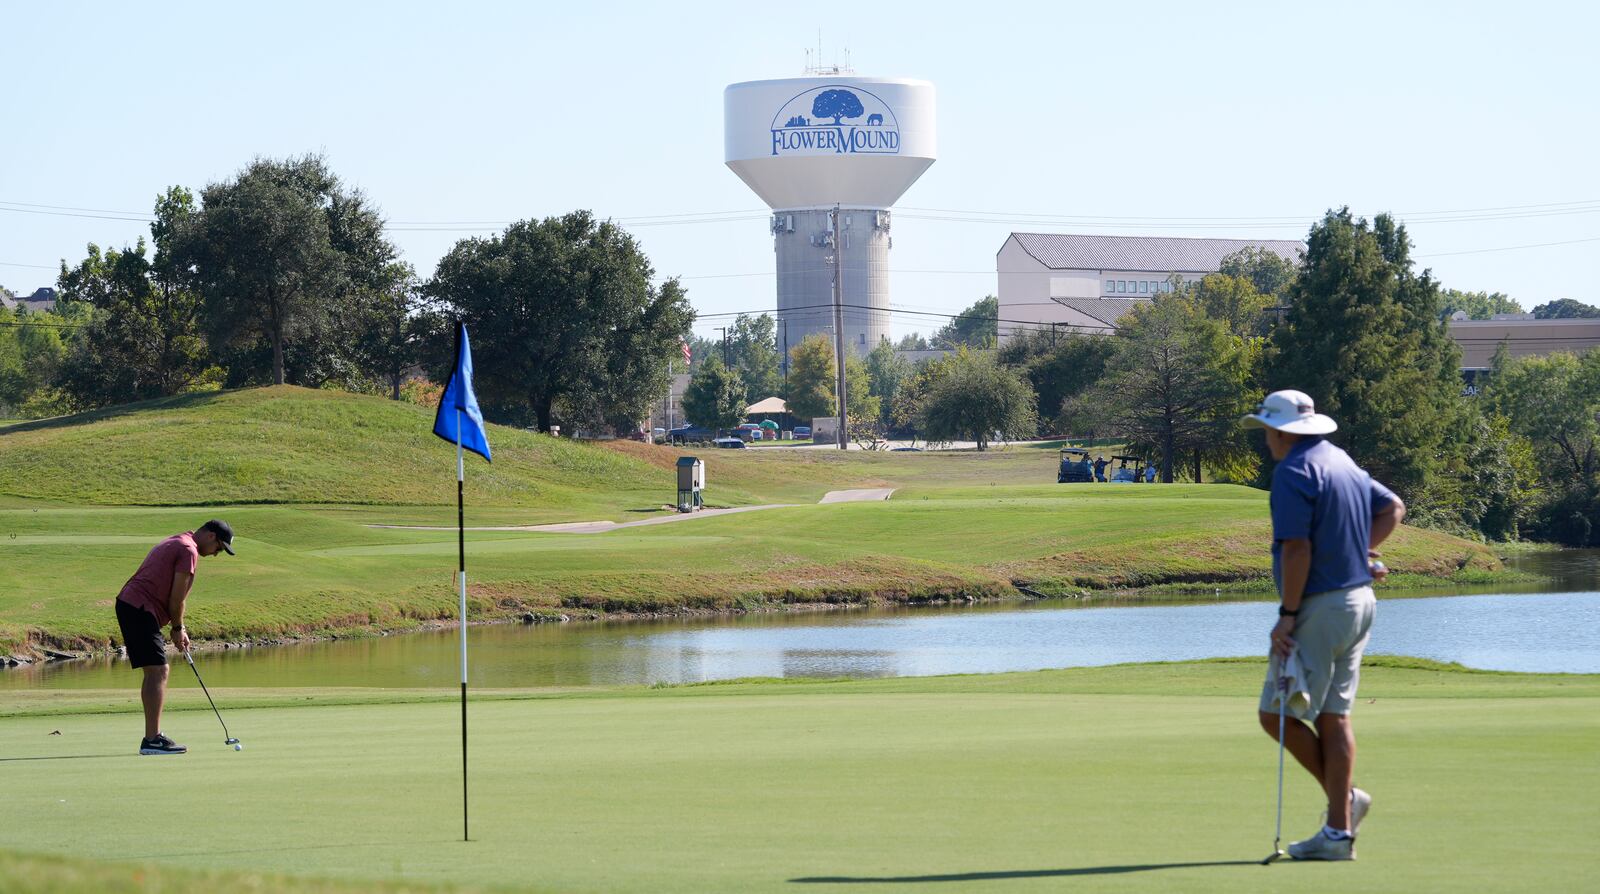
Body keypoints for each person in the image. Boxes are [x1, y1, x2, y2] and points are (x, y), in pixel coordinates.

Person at [1242, 390, 1404, 861]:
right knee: (1334, 715)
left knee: (1276, 714)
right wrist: (1362, 554)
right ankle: (1337, 833)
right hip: (1359, 602)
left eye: (1268, 431)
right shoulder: (1342, 461)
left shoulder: (1293, 472)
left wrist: (1287, 615)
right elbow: (1392, 507)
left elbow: (1297, 550)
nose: (1266, 440)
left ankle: (1345, 802)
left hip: (1320, 607)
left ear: (1282, 432)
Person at [114, 520, 235, 755]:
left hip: (134, 605)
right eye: (219, 548)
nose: (216, 554)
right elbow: (177, 597)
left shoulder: (181, 540)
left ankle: (152, 738)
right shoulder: (188, 550)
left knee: (156, 670)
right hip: (139, 607)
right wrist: (178, 628)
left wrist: (177, 627)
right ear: (211, 536)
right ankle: (152, 740)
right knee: (158, 671)